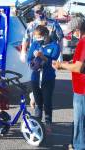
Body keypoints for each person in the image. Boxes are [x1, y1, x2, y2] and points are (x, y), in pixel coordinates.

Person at [52, 16, 85, 150]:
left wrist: (61, 66)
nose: (72, 35)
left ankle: (79, 146)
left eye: (72, 32)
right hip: (81, 89)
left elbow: (78, 68)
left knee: (80, 121)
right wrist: (68, 63)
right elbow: (78, 63)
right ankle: (76, 143)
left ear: (78, 29)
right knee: (79, 121)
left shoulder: (83, 42)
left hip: (82, 90)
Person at [28, 25, 60, 133]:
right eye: (36, 37)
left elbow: (53, 62)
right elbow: (29, 59)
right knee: (38, 102)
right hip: (35, 77)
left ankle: (48, 123)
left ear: (46, 35)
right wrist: (33, 61)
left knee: (47, 101)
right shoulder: (35, 44)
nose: (37, 39)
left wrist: (42, 57)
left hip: (48, 78)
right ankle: (37, 122)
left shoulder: (54, 46)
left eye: (39, 37)